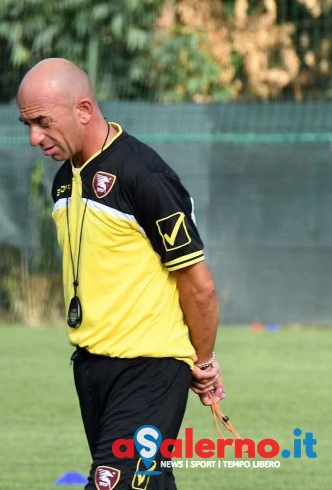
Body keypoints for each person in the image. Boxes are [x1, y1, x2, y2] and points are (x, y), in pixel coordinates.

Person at [17, 58, 225, 489]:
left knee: (112, 482)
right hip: (91, 367)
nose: (35, 137)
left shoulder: (144, 175)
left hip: (149, 368)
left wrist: (202, 362)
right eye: (27, 125)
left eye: (43, 122)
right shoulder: (62, 180)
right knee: (148, 481)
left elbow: (198, 286)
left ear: (84, 109)